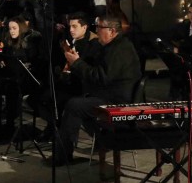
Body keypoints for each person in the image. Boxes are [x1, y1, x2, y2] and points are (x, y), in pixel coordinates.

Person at [50, 15, 141, 166]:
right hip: (110, 95)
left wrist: (77, 63)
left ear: (112, 31)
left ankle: (63, 156)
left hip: (117, 101)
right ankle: (102, 140)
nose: (96, 31)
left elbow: (101, 77)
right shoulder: (113, 46)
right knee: (75, 101)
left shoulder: (120, 49)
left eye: (100, 28)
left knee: (74, 105)